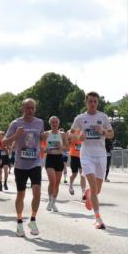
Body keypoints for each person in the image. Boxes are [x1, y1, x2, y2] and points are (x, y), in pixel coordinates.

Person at [71, 92, 114, 229]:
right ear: (86, 102)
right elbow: (70, 135)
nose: (93, 104)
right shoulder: (80, 118)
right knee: (94, 187)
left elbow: (111, 134)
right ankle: (98, 219)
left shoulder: (103, 117)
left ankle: (89, 194)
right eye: (90, 101)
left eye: (95, 101)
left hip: (101, 155)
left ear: (97, 103)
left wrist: (103, 132)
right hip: (86, 156)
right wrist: (78, 137)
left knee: (97, 189)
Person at [4, 98, 46, 237]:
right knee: (21, 194)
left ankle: (33, 220)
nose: (30, 110)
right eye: (27, 108)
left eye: (32, 108)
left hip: (35, 163)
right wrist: (16, 135)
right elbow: (4, 142)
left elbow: (40, 138)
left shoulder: (40, 122)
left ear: (35, 109)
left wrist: (43, 137)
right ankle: (19, 222)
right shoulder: (16, 123)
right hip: (20, 165)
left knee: (37, 192)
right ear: (23, 108)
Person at [43, 115, 69, 212]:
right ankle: (50, 200)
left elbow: (68, 148)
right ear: (50, 123)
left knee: (57, 183)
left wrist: (61, 147)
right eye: (53, 122)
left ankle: (53, 203)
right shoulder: (46, 134)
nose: (54, 124)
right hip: (50, 158)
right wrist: (44, 149)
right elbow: (39, 145)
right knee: (52, 181)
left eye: (56, 122)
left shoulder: (62, 134)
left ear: (58, 123)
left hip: (59, 158)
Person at [67, 130, 84, 197]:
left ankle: (83, 192)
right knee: (74, 174)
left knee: (82, 174)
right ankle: (71, 185)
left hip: (82, 157)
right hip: (74, 156)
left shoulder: (84, 130)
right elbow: (69, 140)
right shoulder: (71, 131)